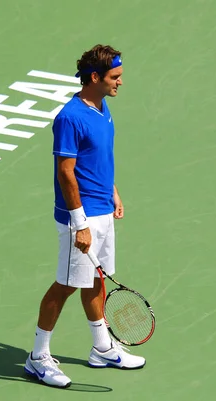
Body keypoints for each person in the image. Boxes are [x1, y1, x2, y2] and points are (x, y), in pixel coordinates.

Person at [23, 44, 146, 388]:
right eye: (115, 77)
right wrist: (80, 224)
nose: (120, 83)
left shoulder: (102, 107)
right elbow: (66, 173)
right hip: (82, 217)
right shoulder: (70, 117)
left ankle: (102, 348)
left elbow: (99, 158)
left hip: (102, 208)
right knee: (64, 286)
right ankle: (37, 358)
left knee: (96, 279)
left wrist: (113, 190)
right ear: (95, 77)